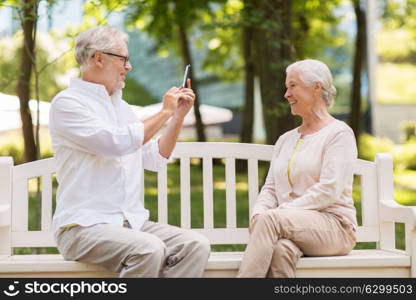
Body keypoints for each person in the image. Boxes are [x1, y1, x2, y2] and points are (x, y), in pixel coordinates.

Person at [49, 26, 210, 278]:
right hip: (81, 227)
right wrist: (164, 112)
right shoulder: (67, 103)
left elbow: (154, 158)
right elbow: (114, 143)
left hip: (131, 224)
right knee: (148, 248)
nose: (129, 67)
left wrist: (177, 116)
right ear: (98, 58)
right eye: (123, 59)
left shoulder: (121, 107)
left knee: (195, 246)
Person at [237, 59, 357, 278]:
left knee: (271, 221)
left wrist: (278, 213)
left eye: (293, 85)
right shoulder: (285, 140)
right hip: (291, 227)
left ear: (316, 87)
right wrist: (258, 213)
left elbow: (329, 189)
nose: (286, 94)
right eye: (286, 87)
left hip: (335, 227)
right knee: (280, 250)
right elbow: (271, 187)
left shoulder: (339, 134)